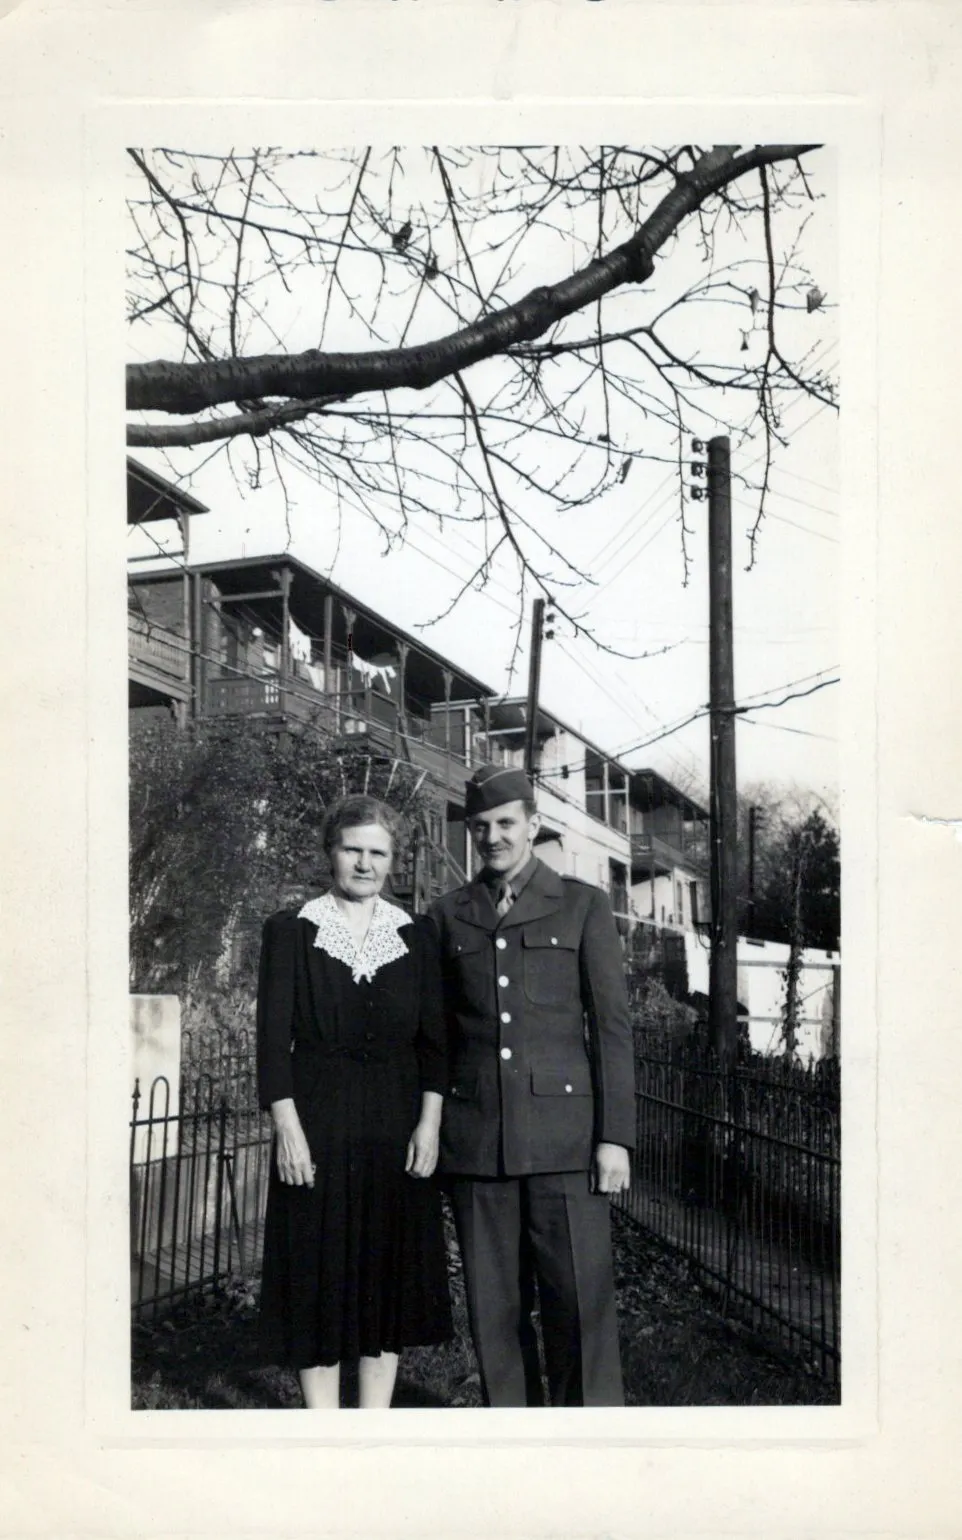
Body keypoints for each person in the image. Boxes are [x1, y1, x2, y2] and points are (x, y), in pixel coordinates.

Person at [430, 764, 635, 1407]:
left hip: (565, 1146)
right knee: (495, 1318)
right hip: (478, 1144)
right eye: (482, 826)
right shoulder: (448, 915)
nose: (493, 837)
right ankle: (513, 1455)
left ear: (532, 825)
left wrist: (615, 1138)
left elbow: (611, 1029)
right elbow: (435, 1036)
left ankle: (591, 1451)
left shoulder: (581, 905)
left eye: (506, 824)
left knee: (581, 1308)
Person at [256, 794, 452, 1408]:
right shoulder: (292, 930)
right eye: (352, 850)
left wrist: (429, 1124)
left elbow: (435, 1044)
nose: (364, 864)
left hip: (394, 1128)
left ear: (393, 861)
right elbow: (271, 1039)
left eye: (378, 853)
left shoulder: (415, 936)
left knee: (384, 1273)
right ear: (329, 853)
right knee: (318, 1271)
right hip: (318, 1123)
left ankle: (372, 1427)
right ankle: (323, 1431)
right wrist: (286, 1127)